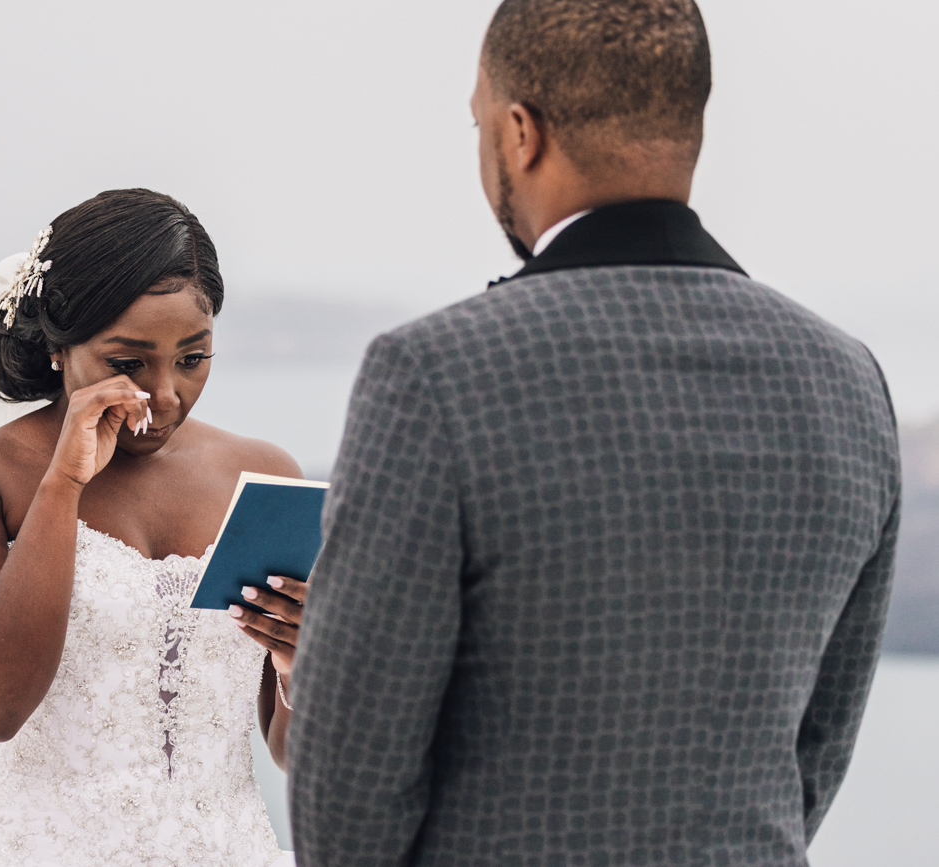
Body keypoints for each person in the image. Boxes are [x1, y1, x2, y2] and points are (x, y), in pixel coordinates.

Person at [287, 1, 901, 865]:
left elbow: (348, 790)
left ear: (519, 133)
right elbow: (818, 749)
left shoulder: (433, 374)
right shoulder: (851, 382)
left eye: (477, 124)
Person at [0, 189, 300, 866]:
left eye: (192, 358)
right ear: (59, 348)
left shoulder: (263, 475)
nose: (166, 395)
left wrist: (305, 662)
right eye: (127, 364)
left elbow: (295, 753)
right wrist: (62, 484)